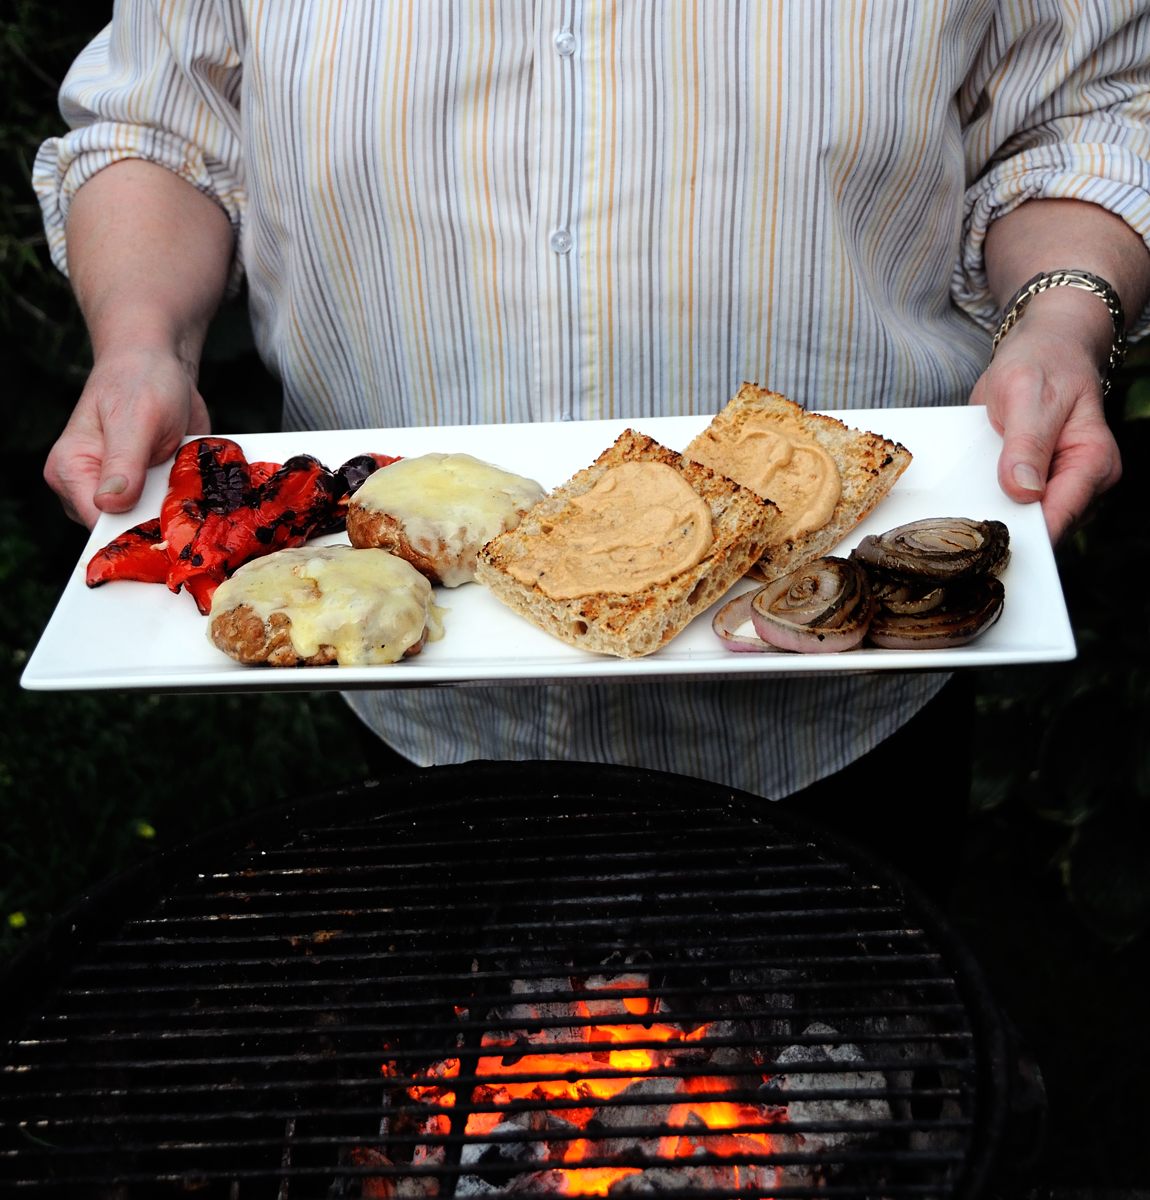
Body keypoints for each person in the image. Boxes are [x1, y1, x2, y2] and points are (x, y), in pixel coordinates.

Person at [33, 3, 1150, 880]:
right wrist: (143, 342)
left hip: (841, 692)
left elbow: (1087, 108)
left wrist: (1059, 314)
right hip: (412, 683)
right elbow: (158, 128)